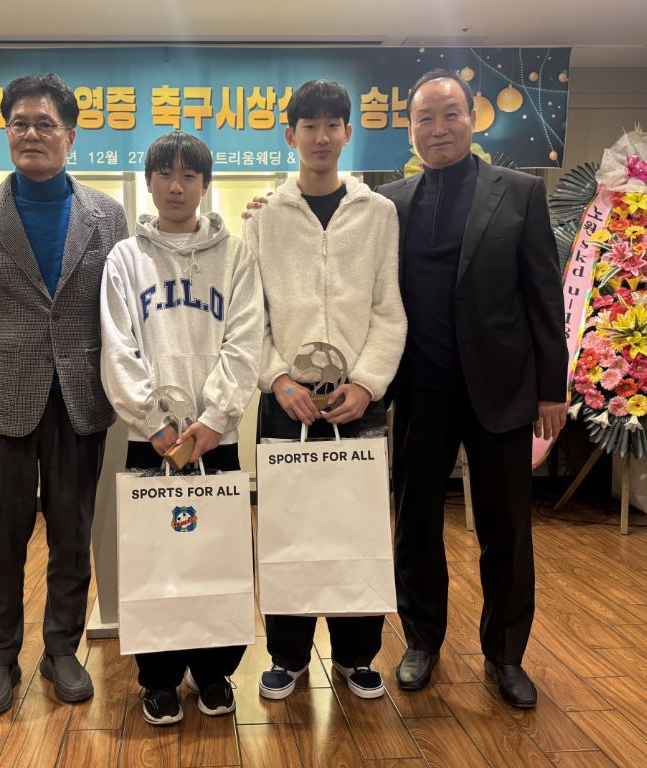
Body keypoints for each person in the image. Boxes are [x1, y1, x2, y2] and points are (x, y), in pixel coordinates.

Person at [374, 69, 566, 709]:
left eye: (450, 114)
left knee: (507, 529)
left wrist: (552, 388)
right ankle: (421, 641)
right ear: (410, 130)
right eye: (424, 118)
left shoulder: (519, 193)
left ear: (472, 119)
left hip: (502, 390)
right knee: (416, 525)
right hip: (420, 389)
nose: (438, 128)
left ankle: (506, 655)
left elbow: (544, 296)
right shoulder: (389, 202)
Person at [0, 73, 129, 716]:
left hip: (81, 396)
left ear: (70, 137)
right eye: (19, 122)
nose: (31, 133)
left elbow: (121, 308)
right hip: (1, 396)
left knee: (73, 533)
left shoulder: (106, 214)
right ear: (6, 132)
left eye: (45, 123)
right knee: (3, 538)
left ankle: (61, 650)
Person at [244, 79, 406, 701]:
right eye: (308, 126)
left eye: (331, 124)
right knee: (287, 526)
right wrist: (278, 379)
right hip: (286, 401)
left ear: (346, 133)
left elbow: (389, 310)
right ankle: (287, 656)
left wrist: (366, 384)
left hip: (357, 402)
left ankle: (357, 655)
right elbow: (250, 316)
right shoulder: (266, 216)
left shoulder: (378, 213)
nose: (320, 136)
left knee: (355, 525)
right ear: (291, 135)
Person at [100, 130, 263, 726]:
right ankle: (160, 678)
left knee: (217, 555)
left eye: (188, 175)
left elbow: (245, 341)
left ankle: (215, 671)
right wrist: (155, 422)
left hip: (216, 440)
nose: (176, 186)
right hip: (152, 442)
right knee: (156, 559)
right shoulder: (125, 258)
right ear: (148, 183)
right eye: (165, 174)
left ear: (204, 184)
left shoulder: (236, 255)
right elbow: (118, 349)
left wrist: (214, 418)